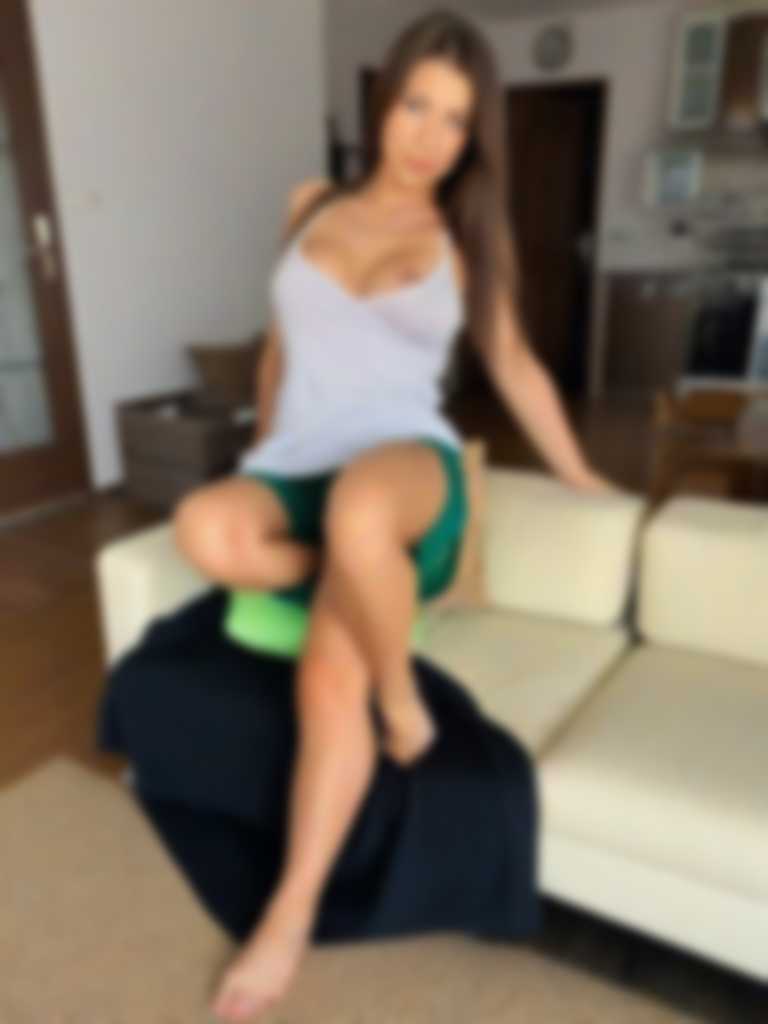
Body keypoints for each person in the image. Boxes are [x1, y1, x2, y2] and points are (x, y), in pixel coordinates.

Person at [172, 9, 620, 1022]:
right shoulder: (308, 204)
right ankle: (353, 565)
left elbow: (516, 365)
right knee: (205, 526)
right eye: (417, 105)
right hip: (301, 465)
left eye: (455, 120)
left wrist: (585, 472)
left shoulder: (466, 235)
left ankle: (303, 884)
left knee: (351, 564)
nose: (429, 137)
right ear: (386, 102)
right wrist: (261, 458)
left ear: (473, 136)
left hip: (405, 470)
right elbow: (278, 350)